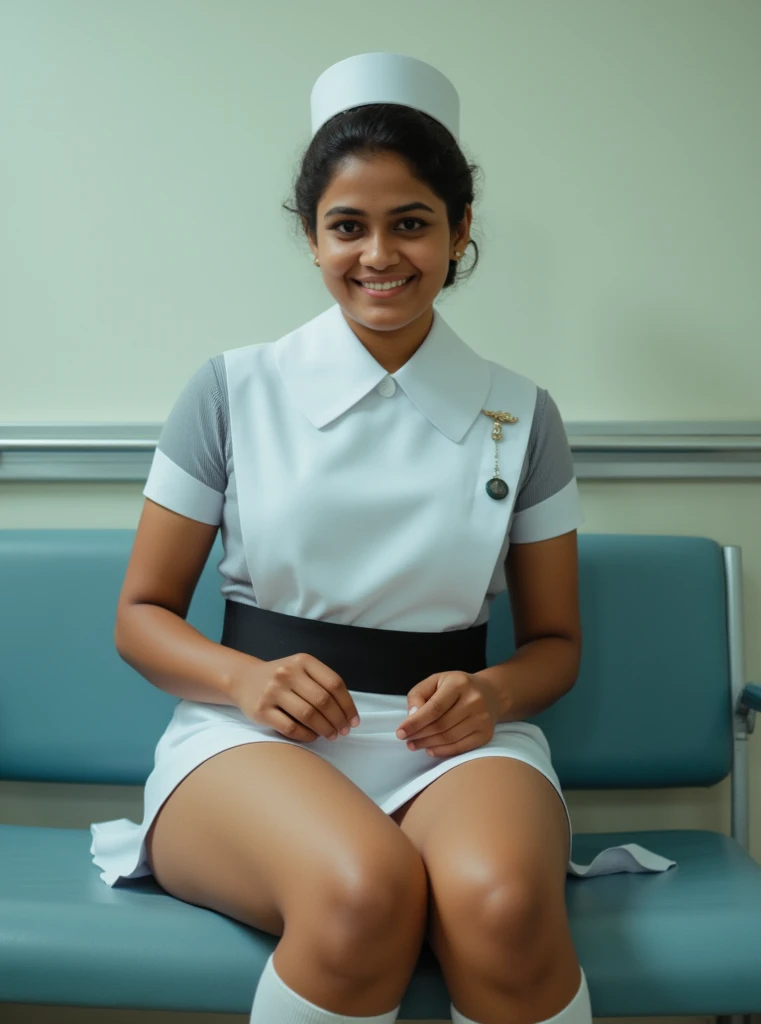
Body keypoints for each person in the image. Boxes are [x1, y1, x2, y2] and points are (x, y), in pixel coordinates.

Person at [90, 52, 673, 1024]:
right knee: (363, 891)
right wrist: (245, 679)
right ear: (312, 238)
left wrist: (487, 691)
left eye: (410, 223)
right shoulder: (231, 390)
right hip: (246, 737)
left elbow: (554, 647)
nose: (378, 256)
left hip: (454, 748)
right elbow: (139, 616)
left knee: (504, 908)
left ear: (459, 231)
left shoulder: (519, 415)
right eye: (346, 226)